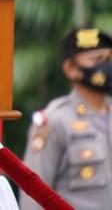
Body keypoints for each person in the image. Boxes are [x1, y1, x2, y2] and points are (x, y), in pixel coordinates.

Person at [20, 26, 112, 210]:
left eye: (109, 59)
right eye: (97, 59)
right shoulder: (54, 121)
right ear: (71, 69)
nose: (106, 67)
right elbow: (33, 193)